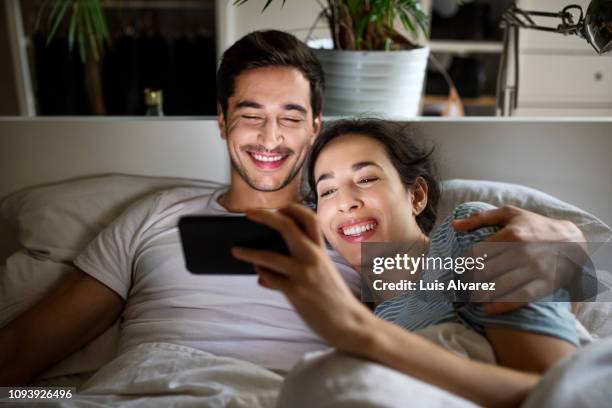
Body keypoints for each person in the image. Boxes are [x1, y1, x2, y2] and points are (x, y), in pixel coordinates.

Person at [0, 29, 587, 391]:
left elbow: (467, 269)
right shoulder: (153, 216)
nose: (269, 136)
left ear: (313, 126)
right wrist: (57, 400)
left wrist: (564, 242)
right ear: (223, 121)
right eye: (250, 113)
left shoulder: (349, 230)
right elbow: (22, 361)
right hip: (135, 393)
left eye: (290, 116)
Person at [232, 118, 581, 407]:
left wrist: (362, 333)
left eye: (366, 179)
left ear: (415, 196)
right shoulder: (368, 311)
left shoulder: (468, 236)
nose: (345, 202)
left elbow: (561, 394)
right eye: (327, 191)